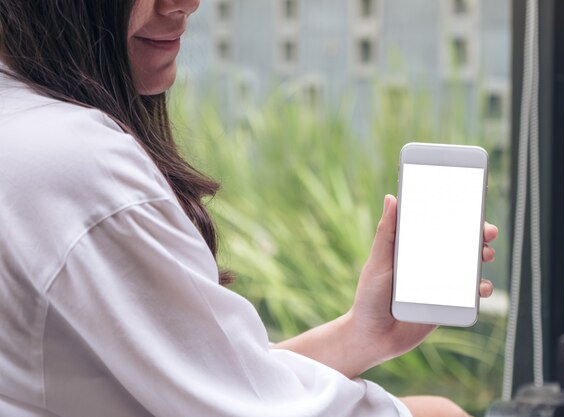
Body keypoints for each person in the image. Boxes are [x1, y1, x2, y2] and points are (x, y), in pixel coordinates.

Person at [0, 1, 498, 416]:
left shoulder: (24, 128)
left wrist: (363, 335)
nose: (187, 3)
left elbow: (210, 381)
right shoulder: (78, 164)